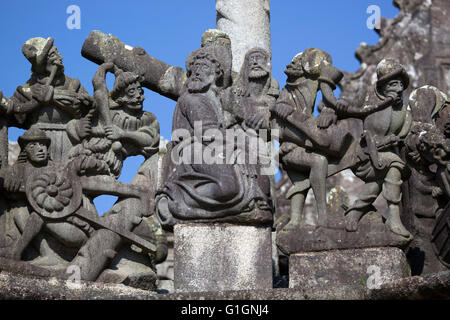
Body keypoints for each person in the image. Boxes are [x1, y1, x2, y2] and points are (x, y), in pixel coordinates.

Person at [344, 59, 412, 238]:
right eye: (393, 84)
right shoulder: (368, 100)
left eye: (400, 85)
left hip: (385, 159)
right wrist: (330, 110)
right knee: (394, 165)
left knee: (382, 179)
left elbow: (404, 138)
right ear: (382, 87)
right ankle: (394, 219)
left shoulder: (405, 113)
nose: (398, 89)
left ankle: (356, 211)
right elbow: (343, 107)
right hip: (365, 157)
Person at [0, 37, 92, 162]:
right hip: (38, 143)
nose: (60, 57)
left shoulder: (73, 84)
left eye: (57, 52)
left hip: (69, 142)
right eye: (53, 54)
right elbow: (11, 111)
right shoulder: (27, 90)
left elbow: (91, 111)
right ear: (42, 64)